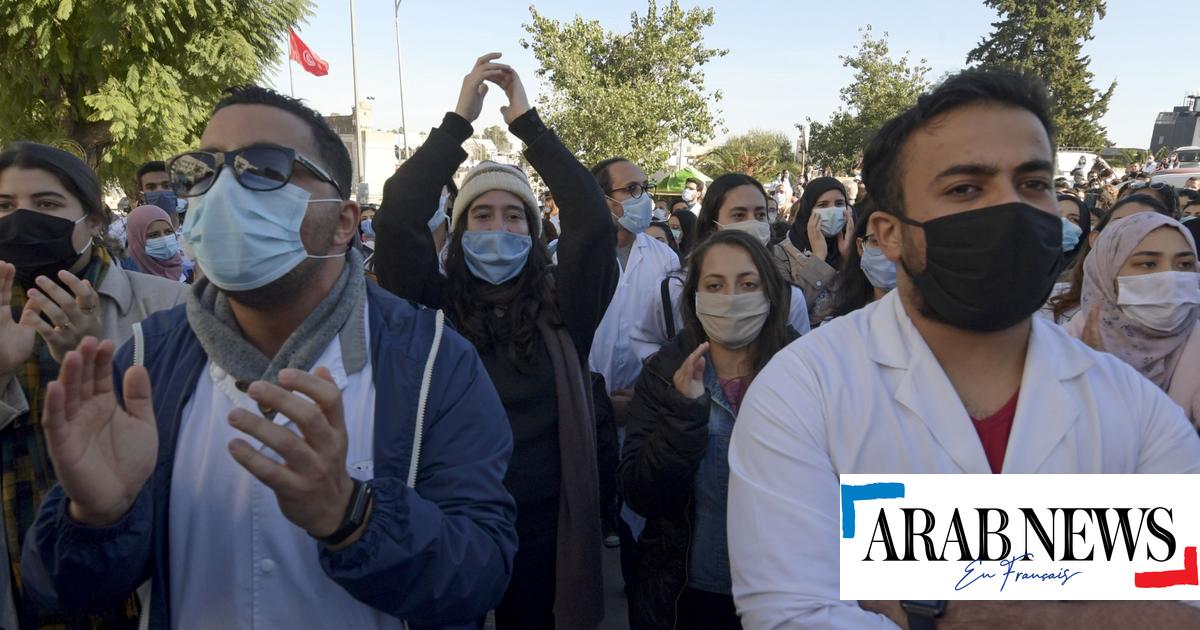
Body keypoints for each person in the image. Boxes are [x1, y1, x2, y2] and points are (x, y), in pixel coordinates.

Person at [21, 86, 518, 629]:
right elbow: (56, 586)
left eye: (263, 168)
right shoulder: (145, 359)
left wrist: (355, 517)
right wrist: (96, 518)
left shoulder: (431, 361)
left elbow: (479, 575)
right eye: (202, 170)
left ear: (345, 220)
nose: (224, 190)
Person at [726, 69, 1200, 629]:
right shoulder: (806, 390)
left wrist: (939, 608)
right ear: (891, 232)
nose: (1011, 210)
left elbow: (1179, 611)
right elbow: (791, 615)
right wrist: (1090, 599)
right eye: (965, 189)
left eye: (1032, 184)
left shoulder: (1136, 412)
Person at [371, 54, 616, 630]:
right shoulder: (427, 306)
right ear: (459, 232)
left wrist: (527, 123)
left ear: (534, 235)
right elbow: (398, 220)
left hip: (542, 532)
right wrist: (459, 122)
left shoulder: (566, 307)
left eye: (515, 218)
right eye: (481, 216)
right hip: (443, 524)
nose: (499, 230)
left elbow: (593, 222)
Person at [0, 142, 187, 629]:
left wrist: (95, 355)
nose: (21, 221)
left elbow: (183, 443)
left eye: (46, 205)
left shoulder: (168, 306)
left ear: (95, 223)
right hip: (19, 563)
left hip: (131, 565)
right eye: (4, 207)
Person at [619, 231, 799, 630]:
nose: (732, 298)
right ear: (695, 298)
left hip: (790, 590)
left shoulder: (807, 370)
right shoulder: (665, 374)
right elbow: (640, 493)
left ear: (770, 293)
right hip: (689, 591)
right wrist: (684, 415)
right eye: (715, 285)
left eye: (748, 284)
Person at [1065, 212, 1200, 427]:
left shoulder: (1196, 340)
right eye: (1148, 264)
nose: (1170, 278)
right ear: (1107, 272)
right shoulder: (1065, 345)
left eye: (1184, 265)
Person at [1048, 195, 1174, 323]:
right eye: (1119, 223)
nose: (1131, 233)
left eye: (1147, 226)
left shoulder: (1181, 308)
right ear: (1095, 238)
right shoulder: (1052, 299)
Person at [779, 176, 855, 315]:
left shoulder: (858, 247)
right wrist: (819, 258)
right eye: (823, 205)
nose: (832, 211)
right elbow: (790, 311)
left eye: (839, 203)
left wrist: (849, 259)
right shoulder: (781, 253)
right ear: (808, 211)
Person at [823, 198, 895, 323]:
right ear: (860, 246)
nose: (887, 253)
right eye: (876, 242)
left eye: (897, 242)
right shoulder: (838, 326)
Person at [123, 204, 187, 282]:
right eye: (154, 235)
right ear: (137, 240)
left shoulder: (180, 266)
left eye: (168, 232)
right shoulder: (127, 279)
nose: (164, 240)